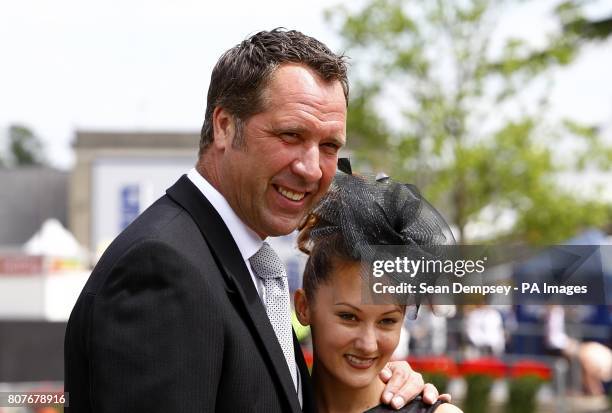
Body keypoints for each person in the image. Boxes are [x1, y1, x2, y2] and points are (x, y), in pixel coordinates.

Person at [65, 29, 445, 412]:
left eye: (329, 146)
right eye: (290, 135)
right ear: (224, 127)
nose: (311, 168)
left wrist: (387, 399)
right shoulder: (163, 266)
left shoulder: (235, 262)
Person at [293, 170, 462, 413]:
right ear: (303, 307)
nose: (368, 344)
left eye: (387, 321)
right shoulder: (272, 399)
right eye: (348, 316)